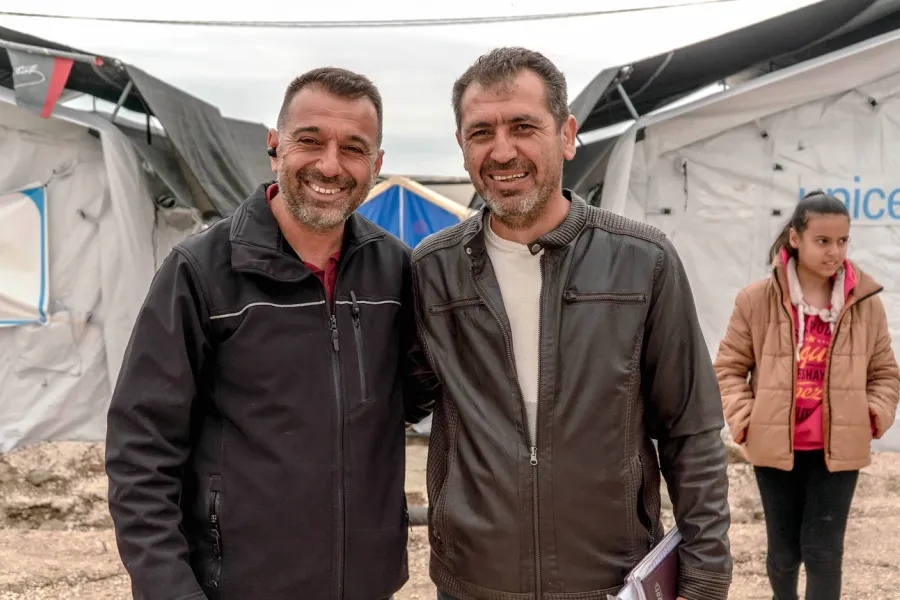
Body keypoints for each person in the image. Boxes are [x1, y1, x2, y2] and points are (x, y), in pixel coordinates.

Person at [411, 47, 733, 600]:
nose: (502, 150)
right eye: (481, 132)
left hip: (611, 582)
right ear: (463, 146)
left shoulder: (643, 260)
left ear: (566, 134)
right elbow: (387, 406)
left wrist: (703, 577)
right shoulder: (430, 270)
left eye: (523, 126)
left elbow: (690, 432)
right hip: (473, 584)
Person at [105, 67, 439, 600]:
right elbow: (141, 450)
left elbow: (413, 399)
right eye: (310, 141)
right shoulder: (201, 270)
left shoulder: (395, 269)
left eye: (353, 148)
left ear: (376, 165)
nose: (330, 164)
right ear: (275, 145)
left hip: (367, 586)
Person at [714, 191, 900, 600]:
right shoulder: (755, 300)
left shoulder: (866, 304)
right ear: (795, 238)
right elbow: (728, 368)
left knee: (824, 554)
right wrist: (746, 420)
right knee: (783, 555)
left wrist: (871, 416)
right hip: (776, 447)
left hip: (838, 451)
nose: (835, 251)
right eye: (823, 241)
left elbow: (885, 373)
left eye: (843, 241)